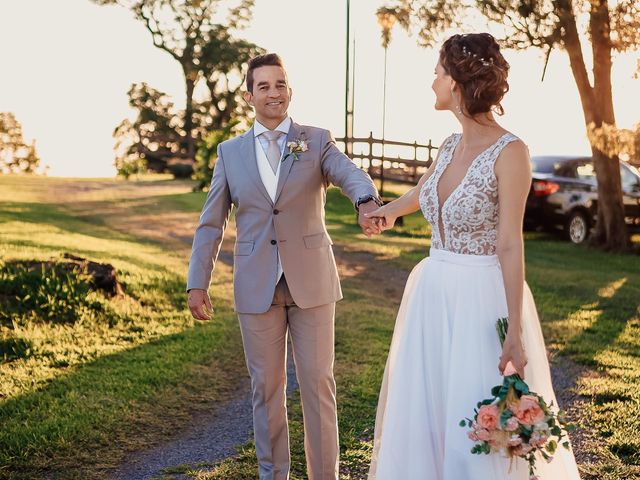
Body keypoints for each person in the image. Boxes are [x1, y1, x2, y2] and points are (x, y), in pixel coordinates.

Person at [364, 33, 581, 479]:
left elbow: (509, 243)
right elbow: (424, 193)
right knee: (426, 410)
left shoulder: (512, 152)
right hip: (432, 293)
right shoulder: (448, 146)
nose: (433, 83)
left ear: (458, 83)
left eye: (439, 73)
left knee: (473, 410)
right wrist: (384, 213)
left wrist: (514, 332)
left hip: (480, 299)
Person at [187, 53, 381, 480]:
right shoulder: (230, 153)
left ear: (290, 90)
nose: (274, 93)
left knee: (318, 387)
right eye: (264, 86)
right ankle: (273, 474)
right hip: (257, 285)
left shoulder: (316, 140)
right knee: (266, 390)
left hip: (311, 281)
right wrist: (196, 283)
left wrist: (366, 200)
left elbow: (349, 172)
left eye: (281, 84)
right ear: (249, 95)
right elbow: (211, 222)